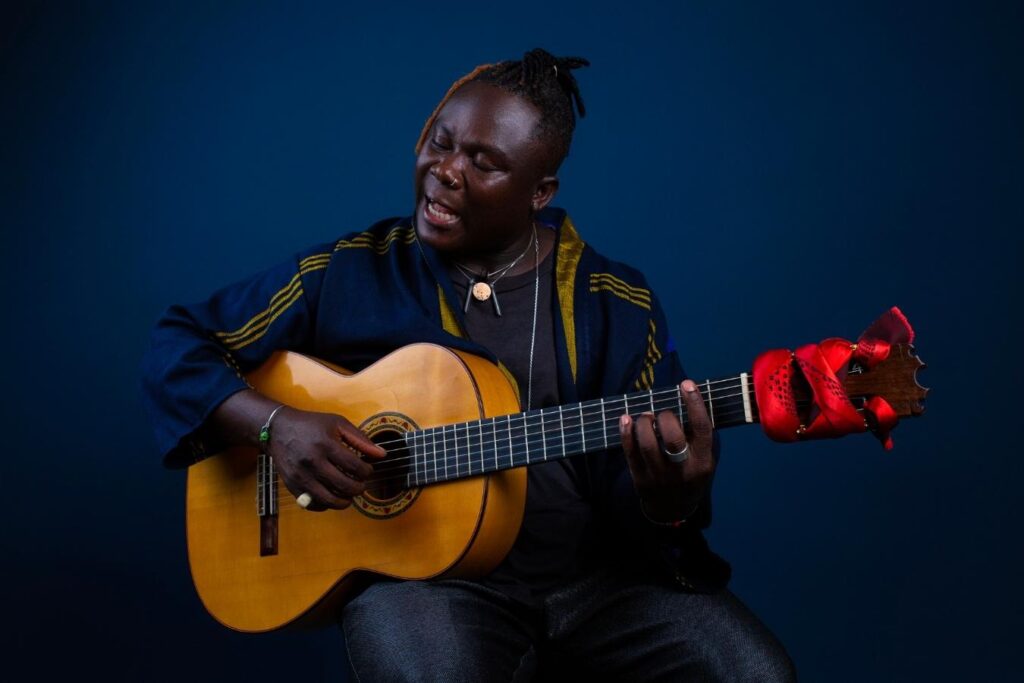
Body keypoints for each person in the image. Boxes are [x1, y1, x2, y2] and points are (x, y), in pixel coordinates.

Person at [143, 48, 796, 682]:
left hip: (598, 584)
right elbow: (180, 344)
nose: (444, 170)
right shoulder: (347, 271)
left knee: (754, 672)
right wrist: (274, 424)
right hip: (430, 587)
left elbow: (649, 498)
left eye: (483, 162)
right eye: (440, 140)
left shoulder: (616, 302)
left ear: (539, 191)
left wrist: (672, 503)